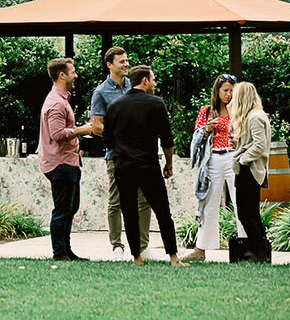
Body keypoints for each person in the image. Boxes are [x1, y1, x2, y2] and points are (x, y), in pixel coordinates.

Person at [104, 65, 187, 267]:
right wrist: (169, 163)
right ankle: (174, 258)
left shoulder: (115, 105)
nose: (155, 83)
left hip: (123, 167)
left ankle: (136, 258)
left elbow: (107, 140)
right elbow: (166, 138)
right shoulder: (156, 103)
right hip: (148, 165)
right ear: (144, 81)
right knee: (162, 212)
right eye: (153, 79)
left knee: (129, 211)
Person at [90, 46, 151, 261]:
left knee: (144, 200)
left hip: (141, 155)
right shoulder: (100, 92)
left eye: (127, 61)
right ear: (109, 65)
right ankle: (117, 246)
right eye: (121, 61)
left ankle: (143, 246)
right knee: (117, 201)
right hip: (116, 155)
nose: (126, 64)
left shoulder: (135, 87)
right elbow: (97, 126)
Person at [181, 73, 245, 262]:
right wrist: (207, 129)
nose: (229, 95)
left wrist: (238, 139)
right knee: (209, 203)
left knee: (240, 201)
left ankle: (246, 244)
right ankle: (201, 248)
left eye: (232, 91)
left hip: (233, 156)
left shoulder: (239, 110)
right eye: (225, 90)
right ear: (217, 92)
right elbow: (196, 141)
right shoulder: (207, 111)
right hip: (214, 157)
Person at [38, 58, 93, 261]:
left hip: (68, 161)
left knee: (71, 207)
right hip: (60, 163)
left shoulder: (61, 100)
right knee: (62, 209)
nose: (75, 75)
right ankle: (59, 252)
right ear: (62, 75)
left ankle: (66, 250)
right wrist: (83, 129)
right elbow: (57, 134)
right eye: (72, 72)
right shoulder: (55, 103)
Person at [231, 81, 272, 262]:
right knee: (252, 213)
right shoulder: (256, 115)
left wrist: (242, 159)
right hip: (251, 169)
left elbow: (259, 145)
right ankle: (261, 251)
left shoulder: (254, 117)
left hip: (250, 169)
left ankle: (259, 252)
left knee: (245, 213)